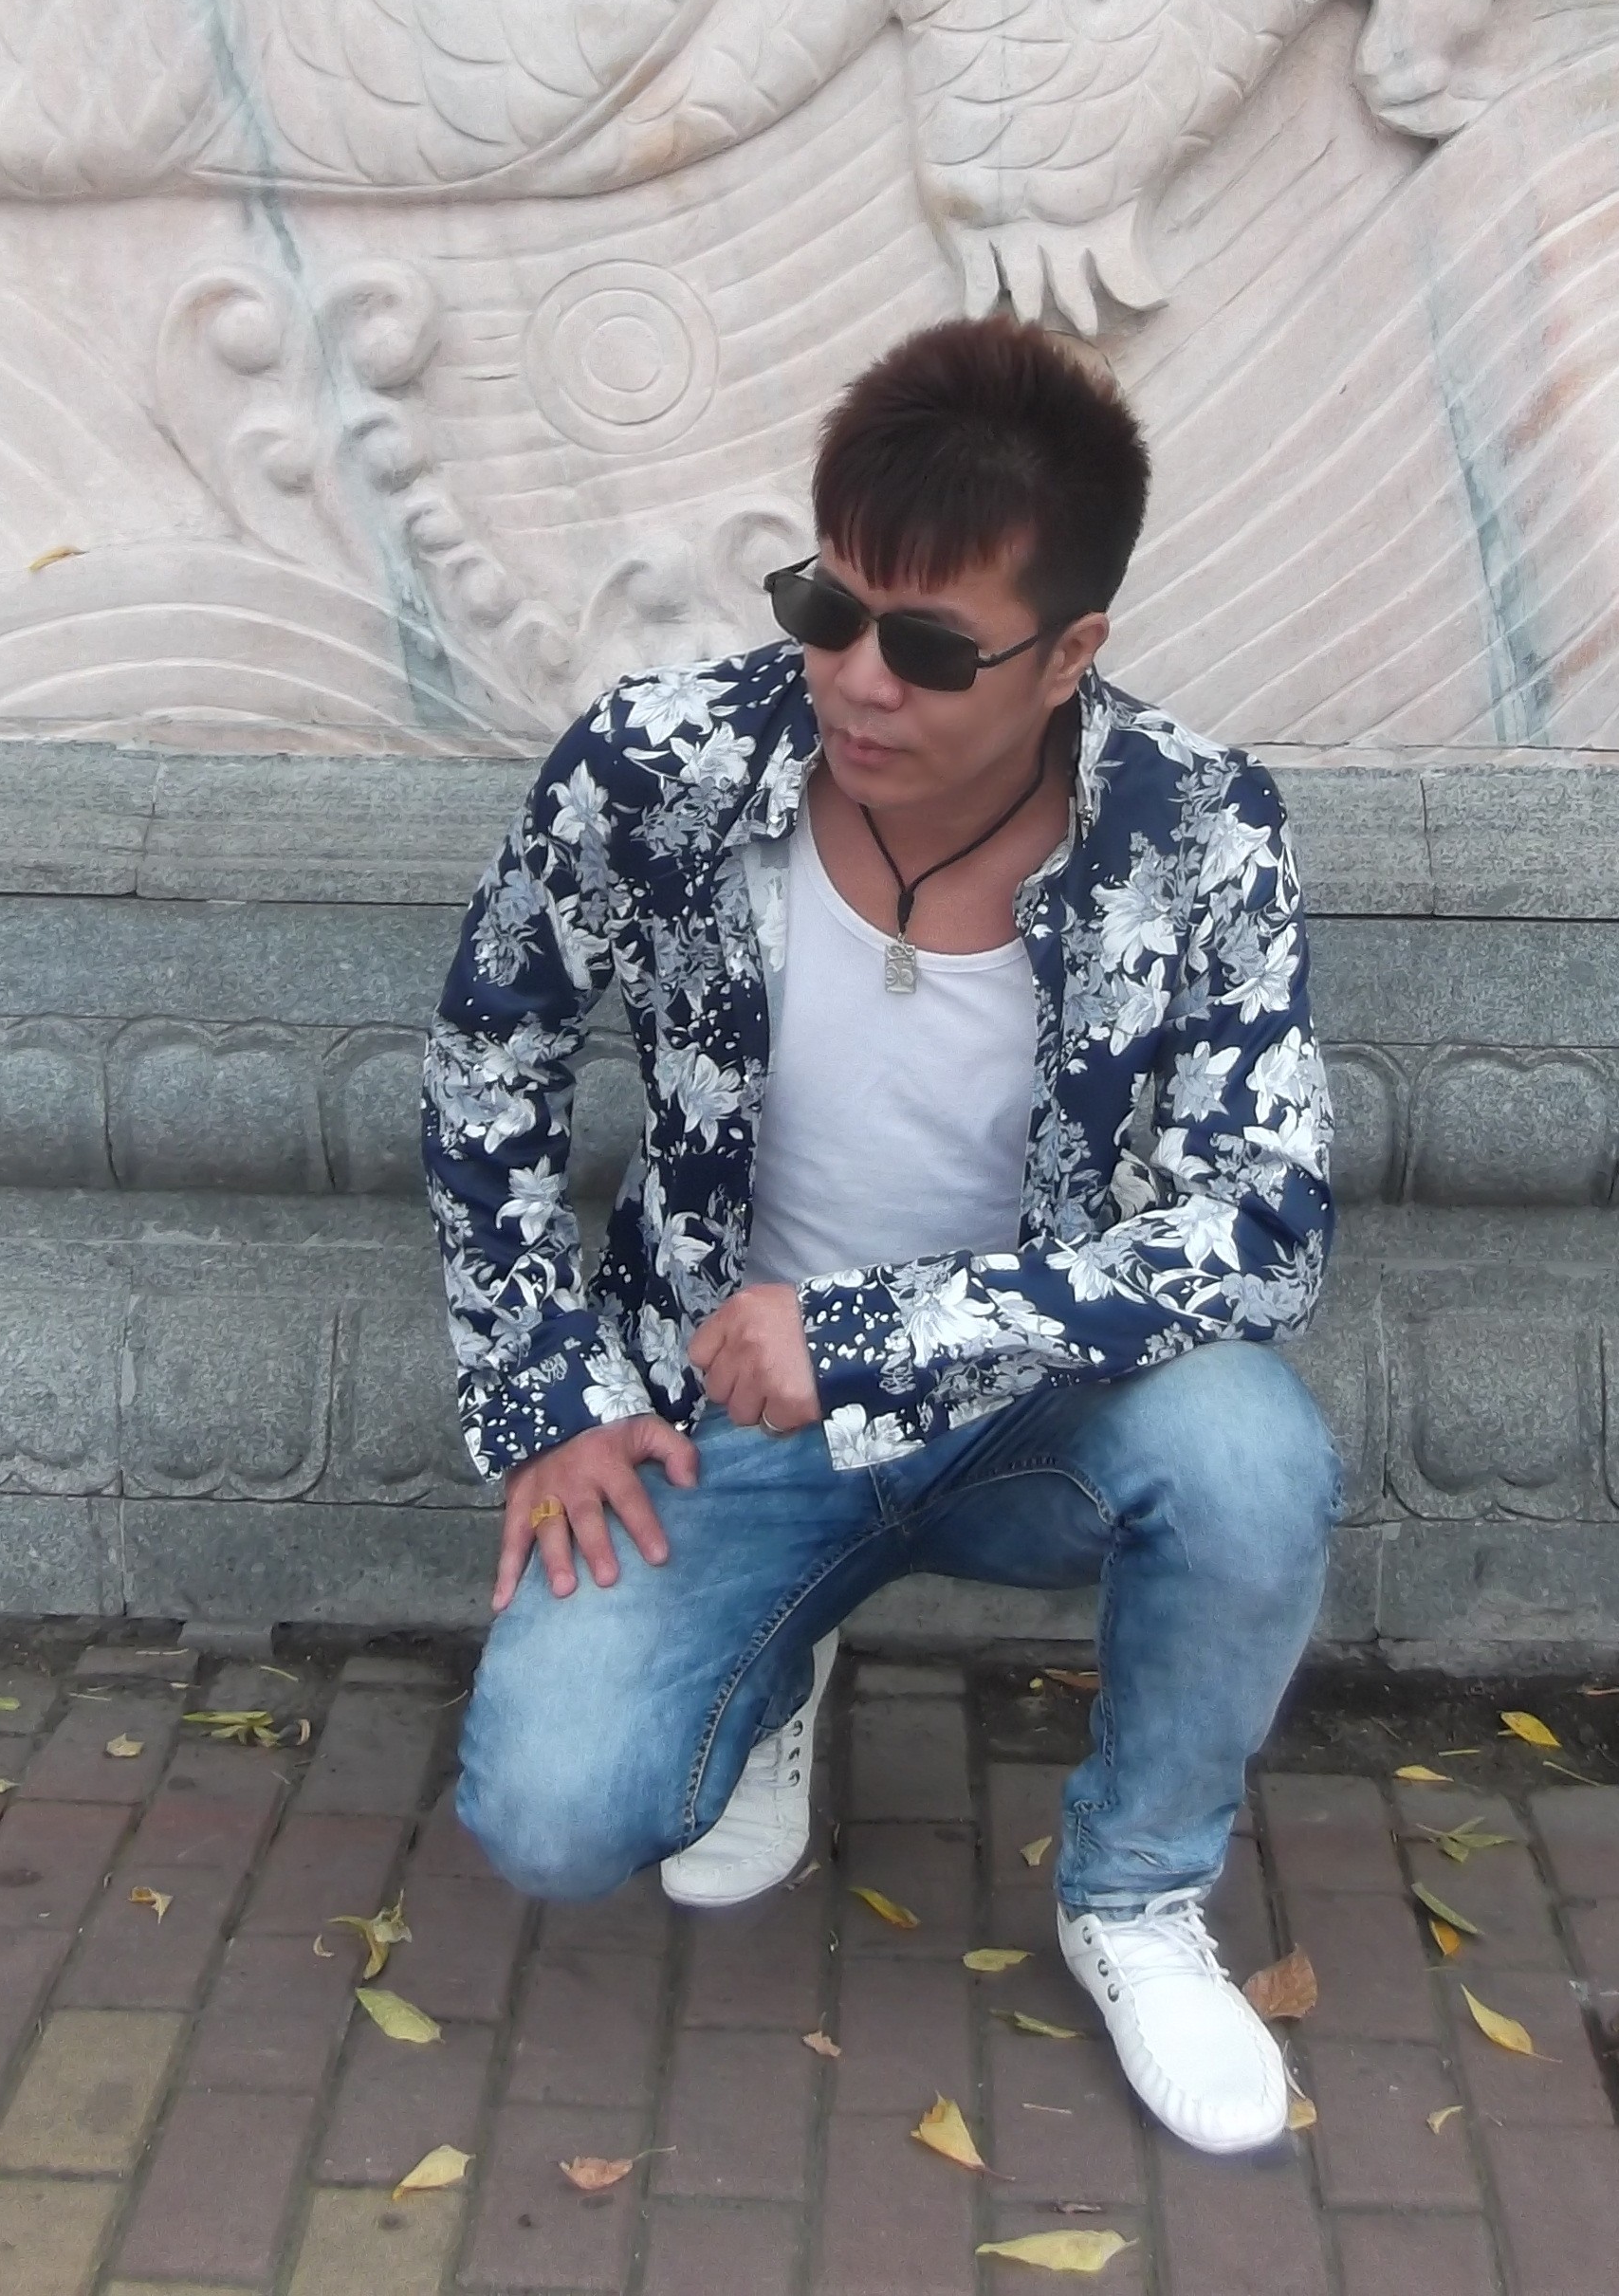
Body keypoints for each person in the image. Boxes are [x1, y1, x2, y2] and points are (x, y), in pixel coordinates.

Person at [422, 313, 1339, 2156]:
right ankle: (776, 1652)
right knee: (550, 1814)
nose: (856, 678)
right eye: (825, 607)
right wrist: (551, 1395)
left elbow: (1266, 1218)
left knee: (1255, 1455)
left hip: (1029, 1409)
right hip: (720, 1410)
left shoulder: (1194, 827)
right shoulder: (659, 770)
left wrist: (870, 1336)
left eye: (927, 646)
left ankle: (1137, 1892)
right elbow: (489, 1057)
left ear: (1069, 650)